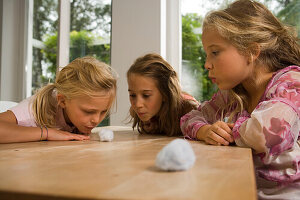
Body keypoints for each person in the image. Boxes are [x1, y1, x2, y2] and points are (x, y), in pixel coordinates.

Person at [181, 0, 300, 199]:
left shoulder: (291, 83)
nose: (207, 65)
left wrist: (229, 127)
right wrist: (206, 131)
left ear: (251, 51)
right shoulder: (233, 96)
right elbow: (190, 117)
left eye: (215, 52)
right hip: (241, 191)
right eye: (206, 54)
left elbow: (268, 134)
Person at [0, 56, 117, 143]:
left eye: (103, 112)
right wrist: (47, 133)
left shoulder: (76, 111)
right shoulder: (34, 110)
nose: (96, 120)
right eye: (88, 112)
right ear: (62, 101)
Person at [127, 53, 199, 137]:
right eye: (132, 95)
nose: (137, 104)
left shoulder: (190, 110)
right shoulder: (139, 111)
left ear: (165, 93)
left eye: (146, 95)